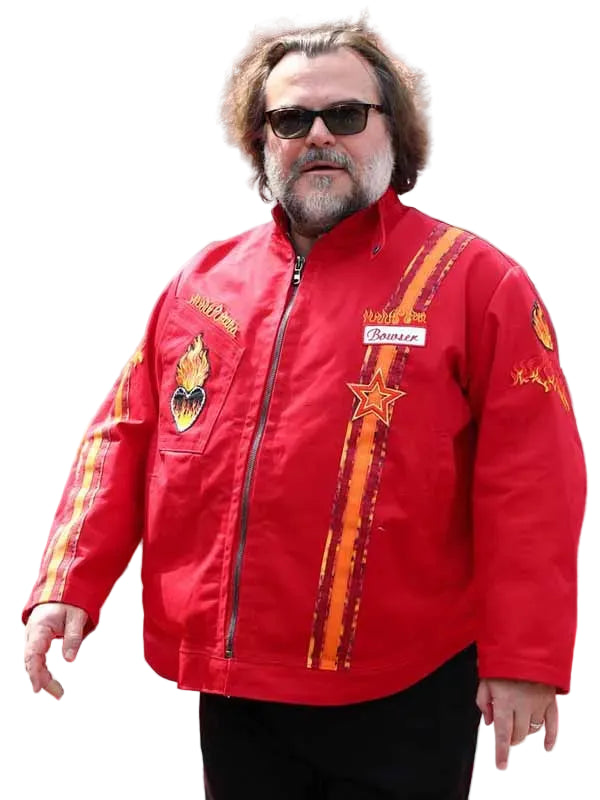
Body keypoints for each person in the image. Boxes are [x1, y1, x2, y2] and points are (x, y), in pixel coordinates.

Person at [23, 18, 586, 799]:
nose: (319, 135)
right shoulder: (204, 282)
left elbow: (533, 483)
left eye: (346, 115)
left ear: (394, 130)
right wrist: (66, 586)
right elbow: (124, 437)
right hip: (238, 685)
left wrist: (524, 657)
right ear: (261, 139)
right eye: (291, 119)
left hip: (409, 686)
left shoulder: (478, 282)